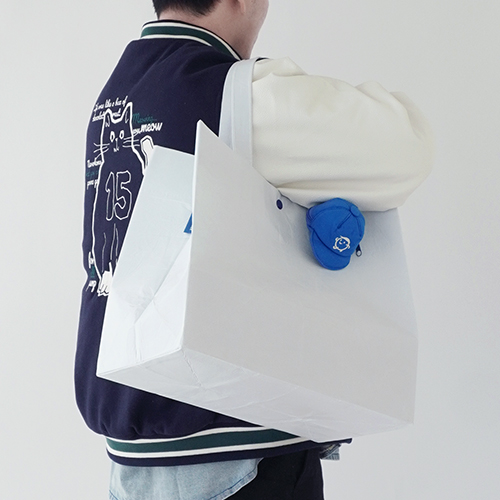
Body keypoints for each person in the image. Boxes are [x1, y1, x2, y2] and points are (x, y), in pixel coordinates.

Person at [75, 1, 434, 499]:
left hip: (133, 467)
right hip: (234, 459)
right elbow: (407, 146)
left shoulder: (120, 92)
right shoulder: (239, 95)